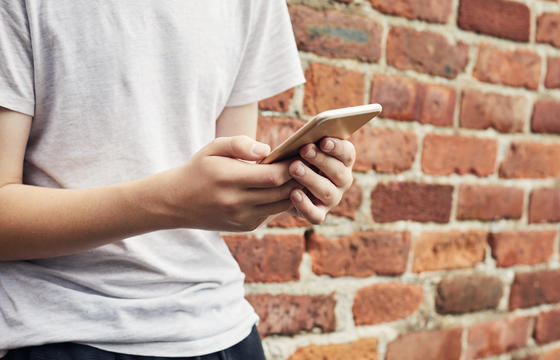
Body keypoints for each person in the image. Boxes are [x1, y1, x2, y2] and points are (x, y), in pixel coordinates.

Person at [0, 1, 355, 359]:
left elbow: (230, 178)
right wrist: (169, 202)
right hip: (64, 332)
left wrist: (289, 181)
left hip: (225, 332)